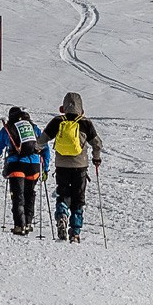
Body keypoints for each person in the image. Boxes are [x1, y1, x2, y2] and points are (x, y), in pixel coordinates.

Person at [47, 92, 105, 242]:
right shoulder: (85, 123)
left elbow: (42, 140)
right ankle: (75, 232)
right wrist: (96, 158)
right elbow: (97, 144)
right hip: (80, 166)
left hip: (61, 165)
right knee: (78, 198)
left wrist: (38, 149)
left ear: (64, 106)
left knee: (63, 194)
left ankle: (62, 215)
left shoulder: (58, 121)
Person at [0, 105, 44, 235]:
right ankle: (27, 223)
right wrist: (46, 167)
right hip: (34, 166)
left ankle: (19, 225)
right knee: (29, 194)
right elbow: (45, 147)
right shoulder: (34, 128)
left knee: (18, 195)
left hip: (16, 165)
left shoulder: (8, 129)